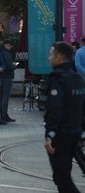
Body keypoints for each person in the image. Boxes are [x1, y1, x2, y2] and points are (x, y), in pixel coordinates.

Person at [44, 41, 85, 193]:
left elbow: (55, 109)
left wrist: (50, 135)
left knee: (62, 177)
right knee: (62, 175)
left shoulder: (58, 79)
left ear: (59, 57)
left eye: (51, 54)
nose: (49, 58)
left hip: (61, 134)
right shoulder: (77, 79)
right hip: (75, 132)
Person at [0, 39, 16, 123]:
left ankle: (1, 113)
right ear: (7, 45)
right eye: (10, 46)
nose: (11, 47)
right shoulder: (6, 53)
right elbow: (10, 66)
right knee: (5, 97)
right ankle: (4, 115)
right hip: (8, 77)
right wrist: (14, 66)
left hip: (1, 76)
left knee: (1, 96)